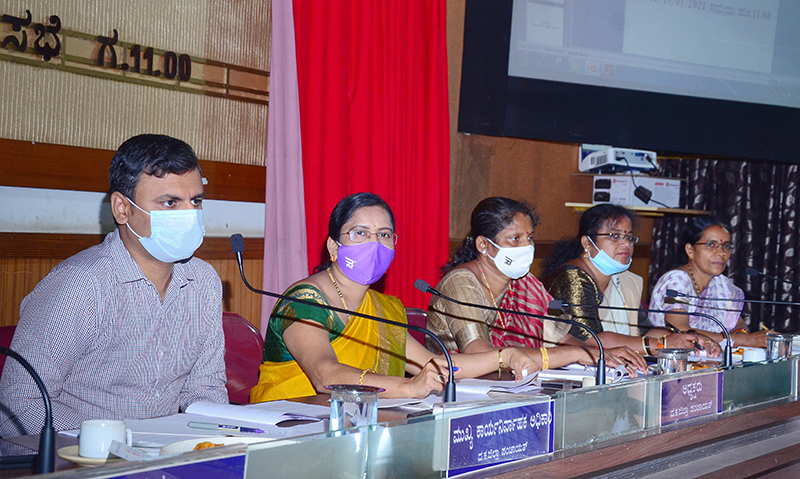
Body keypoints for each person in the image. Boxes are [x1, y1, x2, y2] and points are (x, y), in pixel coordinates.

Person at [0, 134, 228, 437]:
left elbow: (204, 391)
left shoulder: (204, 282)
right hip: (76, 455)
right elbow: (19, 405)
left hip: (167, 452)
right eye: (170, 202)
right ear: (122, 208)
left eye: (195, 201)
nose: (189, 215)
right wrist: (116, 442)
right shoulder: (80, 285)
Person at [250, 193, 537, 402]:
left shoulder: (381, 307)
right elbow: (326, 375)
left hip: (354, 425)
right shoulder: (304, 301)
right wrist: (408, 388)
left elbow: (434, 364)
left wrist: (504, 356)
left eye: (384, 235)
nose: (374, 243)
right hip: (286, 429)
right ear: (333, 247)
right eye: (360, 233)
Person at [426, 197, 647, 374]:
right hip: (458, 391)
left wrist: (601, 354)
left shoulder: (525, 282)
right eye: (515, 239)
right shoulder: (461, 282)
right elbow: (482, 355)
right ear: (484, 244)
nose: (527, 247)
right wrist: (577, 354)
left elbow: (562, 338)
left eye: (530, 238)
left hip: (515, 386)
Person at [542, 204, 720, 357]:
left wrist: (690, 338)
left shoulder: (626, 280)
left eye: (629, 237)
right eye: (614, 236)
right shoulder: (573, 277)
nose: (626, 244)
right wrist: (661, 345)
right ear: (587, 243)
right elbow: (590, 339)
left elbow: (644, 331)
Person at [648, 216, 769, 347]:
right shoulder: (676, 282)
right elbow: (681, 330)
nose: (721, 253)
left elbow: (738, 325)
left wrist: (742, 336)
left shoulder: (722, 285)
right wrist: (744, 340)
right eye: (711, 245)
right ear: (690, 250)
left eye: (726, 246)